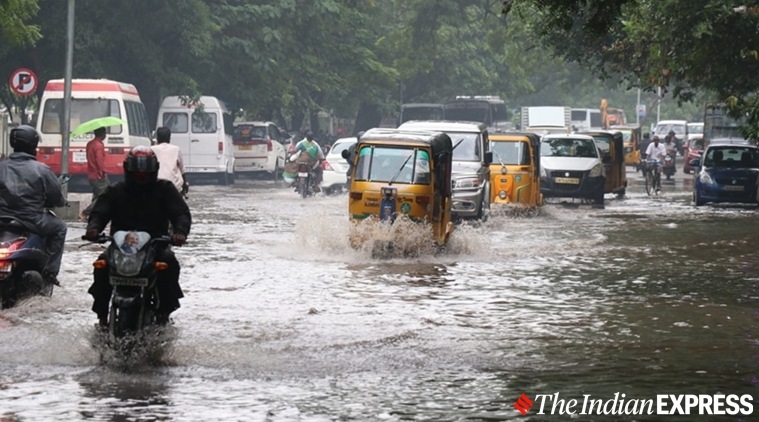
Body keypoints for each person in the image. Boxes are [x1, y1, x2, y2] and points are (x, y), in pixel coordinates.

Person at [83, 146, 191, 327]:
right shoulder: (115, 190)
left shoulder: (165, 189)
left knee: (170, 264)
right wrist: (93, 229)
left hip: (155, 246)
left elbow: (180, 213)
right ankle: (101, 316)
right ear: (128, 170)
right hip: (120, 247)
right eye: (137, 172)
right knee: (101, 266)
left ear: (154, 170)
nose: (141, 176)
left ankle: (164, 312)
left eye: (145, 172)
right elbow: (100, 212)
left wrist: (180, 233)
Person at [0, 125, 67, 285]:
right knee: (60, 228)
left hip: (2, 219)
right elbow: (56, 198)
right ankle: (50, 272)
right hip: (32, 220)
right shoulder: (42, 170)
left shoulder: (1, 167)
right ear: (33, 145)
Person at [81, 127, 109, 220]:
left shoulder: (90, 144)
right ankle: (86, 212)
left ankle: (92, 215)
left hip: (91, 173)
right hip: (98, 174)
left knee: (97, 194)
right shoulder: (98, 145)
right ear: (102, 134)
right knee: (104, 195)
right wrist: (102, 172)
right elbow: (99, 160)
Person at [151, 126, 188, 196]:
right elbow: (182, 169)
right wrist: (185, 184)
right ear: (169, 138)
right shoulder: (176, 149)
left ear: (157, 138)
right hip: (174, 187)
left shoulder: (151, 150)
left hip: (155, 187)